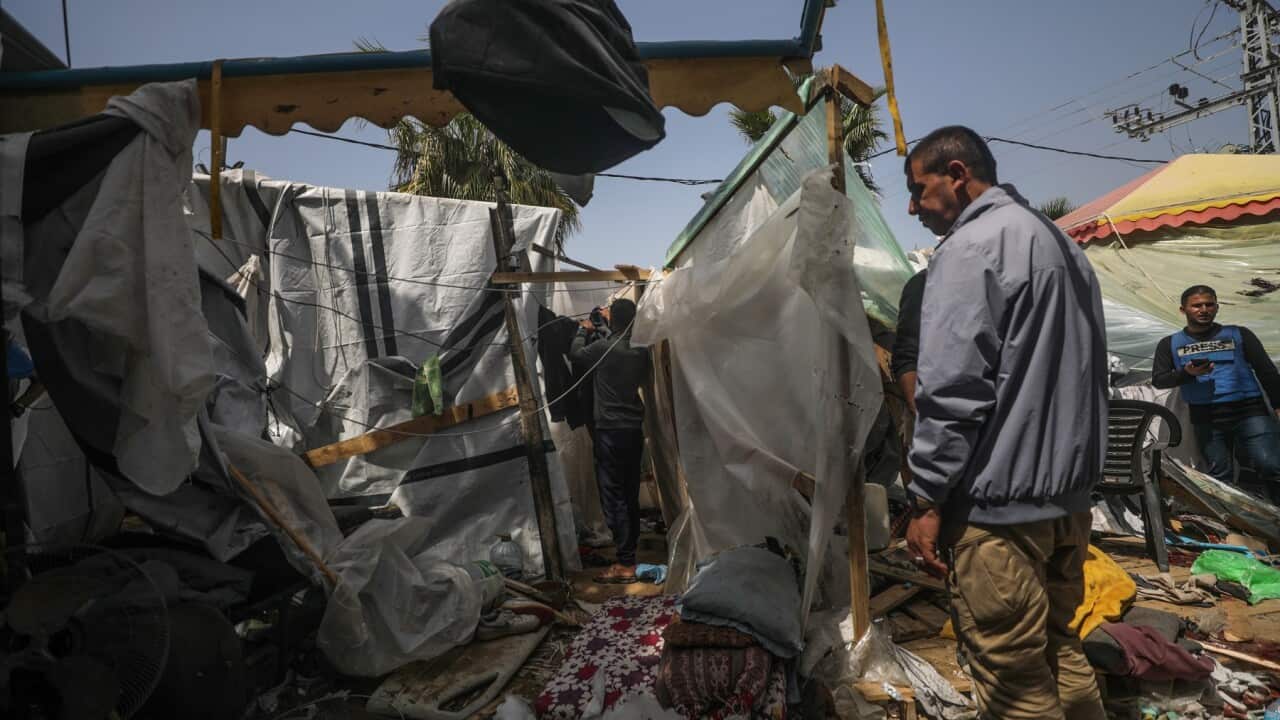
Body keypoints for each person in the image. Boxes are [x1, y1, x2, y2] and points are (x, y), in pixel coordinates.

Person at [902, 126, 1108, 720]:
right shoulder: (1058, 243)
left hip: (1001, 516)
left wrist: (926, 498)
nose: (914, 208)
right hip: (1066, 506)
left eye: (920, 190)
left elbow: (953, 392)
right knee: (1062, 652)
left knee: (1014, 682)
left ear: (958, 174)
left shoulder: (973, 247)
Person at [1151, 285, 1280, 501]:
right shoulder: (1169, 344)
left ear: (1217, 307)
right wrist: (1186, 373)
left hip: (1249, 410)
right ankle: (1234, 526)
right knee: (1219, 475)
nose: (1203, 309)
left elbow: (1266, 370)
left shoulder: (1239, 334)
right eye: (1197, 305)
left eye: (1209, 304)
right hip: (1206, 416)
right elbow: (1159, 380)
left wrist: (1278, 405)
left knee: (1270, 464)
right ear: (1183, 310)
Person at [570, 297, 650, 583]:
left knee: (612, 496)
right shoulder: (641, 350)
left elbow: (576, 354)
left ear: (613, 320)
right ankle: (629, 555)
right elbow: (618, 343)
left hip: (609, 432)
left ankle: (625, 564)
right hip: (633, 431)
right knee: (629, 494)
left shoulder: (603, 349)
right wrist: (607, 326)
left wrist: (584, 328)